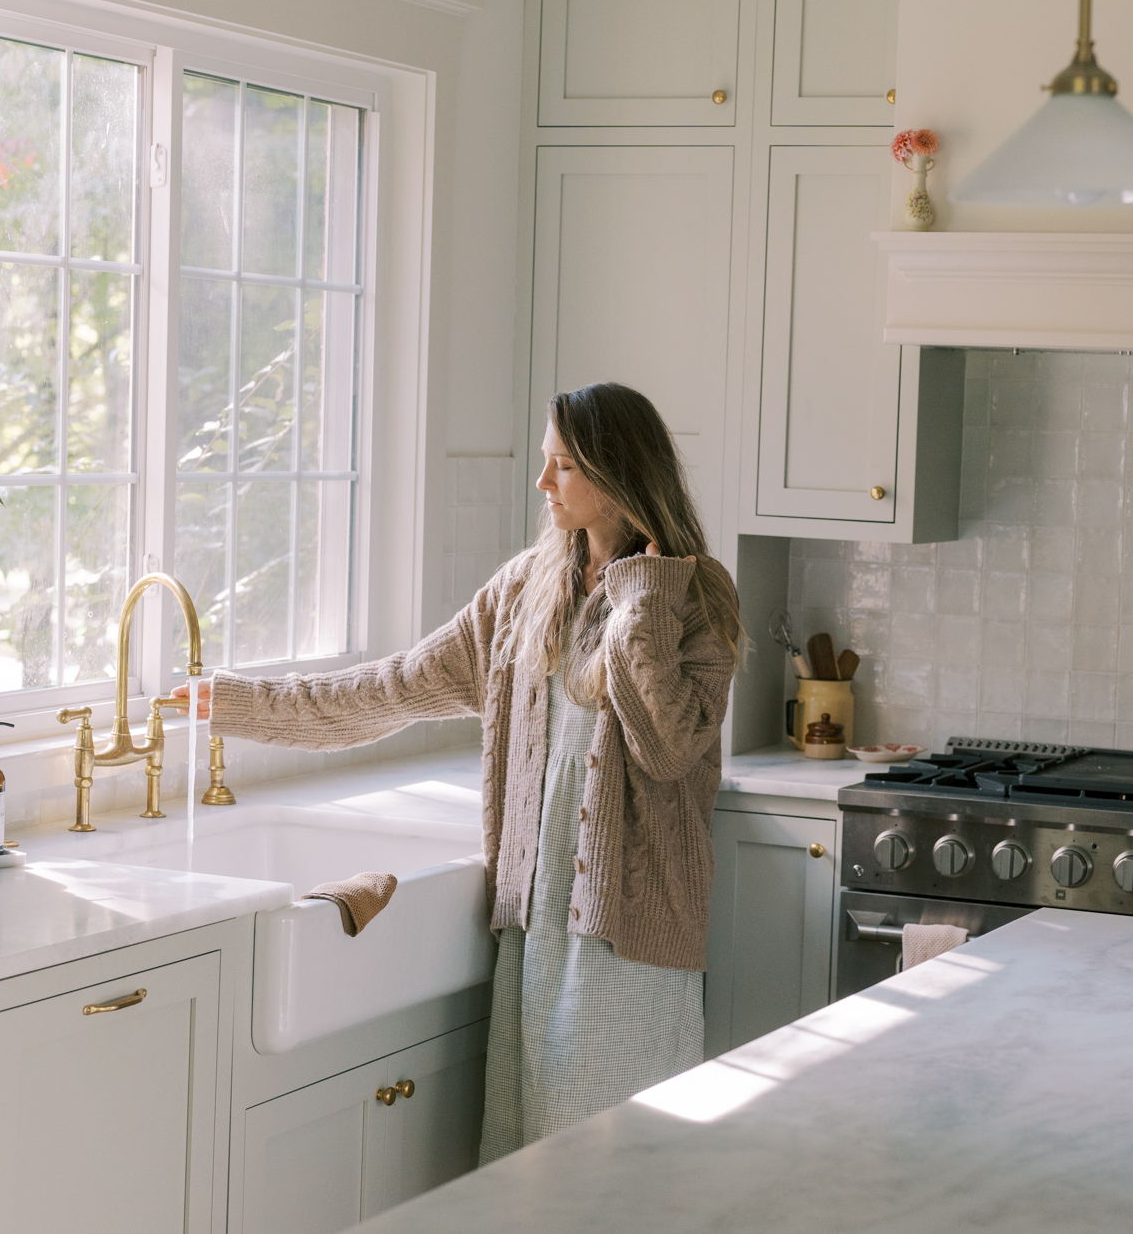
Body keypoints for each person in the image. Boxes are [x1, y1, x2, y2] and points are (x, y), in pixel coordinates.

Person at [188, 381, 742, 1162]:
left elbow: (668, 747)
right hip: (536, 931)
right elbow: (391, 687)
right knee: (527, 1171)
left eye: (563, 466)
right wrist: (231, 703)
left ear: (616, 474)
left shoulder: (694, 595)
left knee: (612, 1177)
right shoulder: (523, 591)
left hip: (635, 941)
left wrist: (641, 599)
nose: (543, 482)